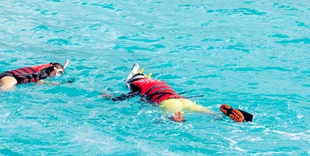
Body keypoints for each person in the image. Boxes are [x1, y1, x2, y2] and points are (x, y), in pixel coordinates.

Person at [102, 64, 253, 123]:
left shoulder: (136, 86)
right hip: (182, 99)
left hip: (168, 102)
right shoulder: (159, 82)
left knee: (164, 120)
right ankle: (222, 115)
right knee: (209, 113)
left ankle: (176, 118)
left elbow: (123, 98)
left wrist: (109, 97)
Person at [0, 61, 68, 99]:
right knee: (1, 89)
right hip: (13, 79)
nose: (57, 75)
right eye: (59, 73)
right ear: (55, 70)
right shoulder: (44, 73)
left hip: (6, 74)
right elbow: (39, 82)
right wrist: (53, 83)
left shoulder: (42, 68)